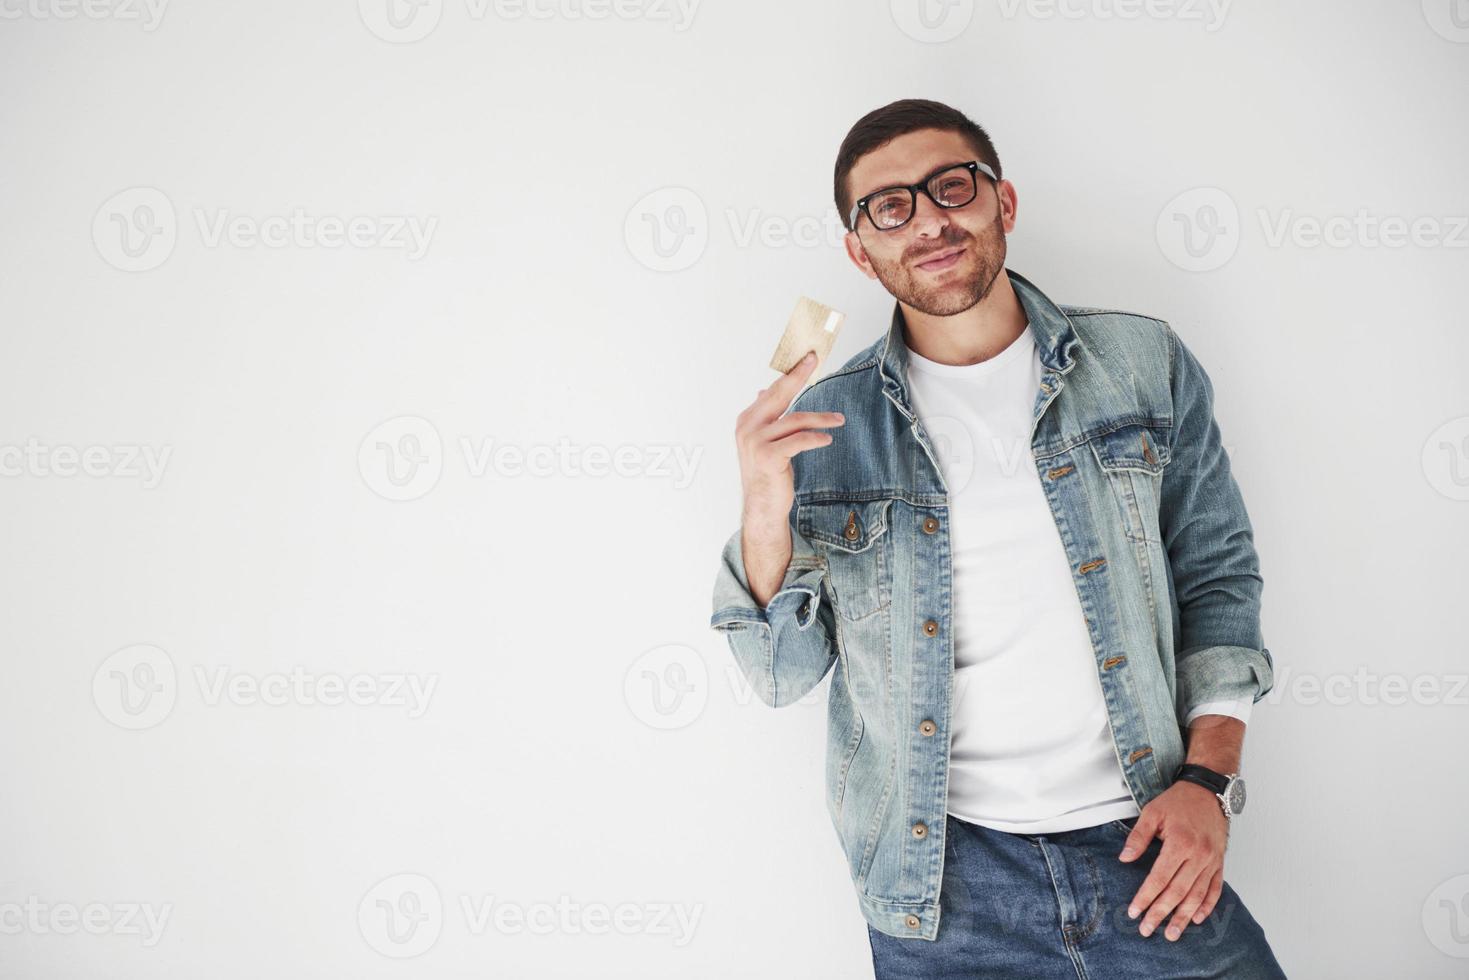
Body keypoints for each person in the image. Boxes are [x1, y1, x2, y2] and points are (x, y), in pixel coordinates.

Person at [709, 98, 1287, 978]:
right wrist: (761, 499)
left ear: (1001, 204)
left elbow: (1216, 577)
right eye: (888, 207)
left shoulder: (1140, 364)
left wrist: (1208, 783)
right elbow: (780, 676)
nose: (930, 221)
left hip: (1149, 843)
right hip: (941, 891)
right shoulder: (826, 430)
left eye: (951, 187)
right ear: (858, 252)